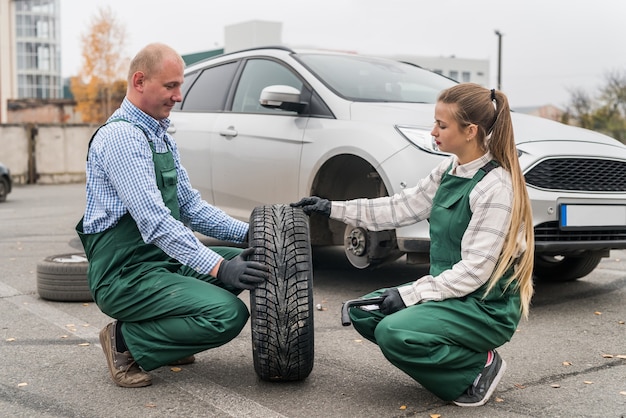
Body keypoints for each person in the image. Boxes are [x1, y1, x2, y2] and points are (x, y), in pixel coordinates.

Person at [292, 83, 534, 407]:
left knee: (393, 332)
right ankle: (455, 352)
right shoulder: (449, 170)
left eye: (442, 125)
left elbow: (475, 271)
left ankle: (478, 367)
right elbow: (399, 207)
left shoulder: (496, 187)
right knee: (365, 314)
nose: (433, 131)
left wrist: (409, 295)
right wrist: (332, 208)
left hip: (484, 306)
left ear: (470, 131)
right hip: (451, 296)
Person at [76, 43, 269, 388]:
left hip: (161, 264)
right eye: (170, 86)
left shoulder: (159, 136)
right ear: (139, 81)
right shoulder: (122, 138)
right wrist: (220, 268)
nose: (179, 95)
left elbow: (191, 209)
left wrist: (256, 233)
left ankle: (169, 342)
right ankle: (125, 342)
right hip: (126, 274)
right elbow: (156, 222)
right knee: (227, 314)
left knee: (249, 260)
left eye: (179, 86)